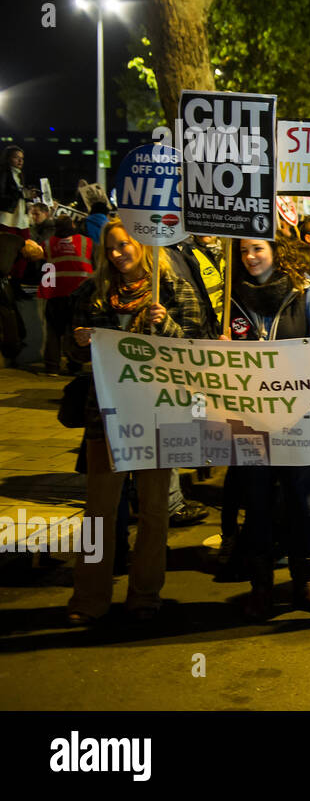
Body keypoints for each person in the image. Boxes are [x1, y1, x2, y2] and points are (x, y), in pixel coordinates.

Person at [65, 220, 209, 624]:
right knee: (98, 512)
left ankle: (145, 594)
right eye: (110, 248)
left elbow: (195, 349)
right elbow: (72, 356)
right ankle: (88, 596)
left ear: (142, 245)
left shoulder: (174, 289)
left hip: (157, 416)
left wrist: (165, 323)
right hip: (106, 420)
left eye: (124, 245)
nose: (117, 254)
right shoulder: (94, 294)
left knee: (153, 511)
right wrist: (77, 344)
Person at [228, 236, 310, 619]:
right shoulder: (230, 296)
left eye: (257, 248)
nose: (250, 257)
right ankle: (261, 587)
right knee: (256, 504)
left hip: (298, 418)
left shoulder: (305, 293)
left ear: (275, 251)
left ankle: (305, 582)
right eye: (243, 251)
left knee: (301, 503)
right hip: (249, 419)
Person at [37, 213, 93, 375]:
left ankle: (52, 367)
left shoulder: (46, 244)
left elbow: (41, 268)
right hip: (80, 294)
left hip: (55, 294)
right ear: (73, 226)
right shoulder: (86, 242)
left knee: (54, 331)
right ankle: (75, 364)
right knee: (75, 330)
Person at [0, 146, 26, 228]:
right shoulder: (3, 173)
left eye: (22, 158)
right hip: (7, 217)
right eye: (16, 157)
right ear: (7, 158)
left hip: (19, 217)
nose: (20, 161)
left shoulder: (19, 174)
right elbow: (1, 195)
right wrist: (22, 194)